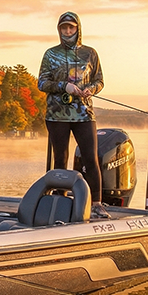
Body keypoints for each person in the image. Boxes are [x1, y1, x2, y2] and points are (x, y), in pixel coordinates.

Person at [37, 11, 111, 218]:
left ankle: (96, 203)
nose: (68, 31)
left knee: (91, 158)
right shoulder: (50, 54)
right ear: (59, 30)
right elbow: (41, 83)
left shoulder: (90, 53)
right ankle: (60, 201)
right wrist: (64, 87)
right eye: (64, 28)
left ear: (78, 29)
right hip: (56, 115)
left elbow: (100, 81)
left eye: (71, 27)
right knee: (60, 159)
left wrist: (92, 90)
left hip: (84, 114)